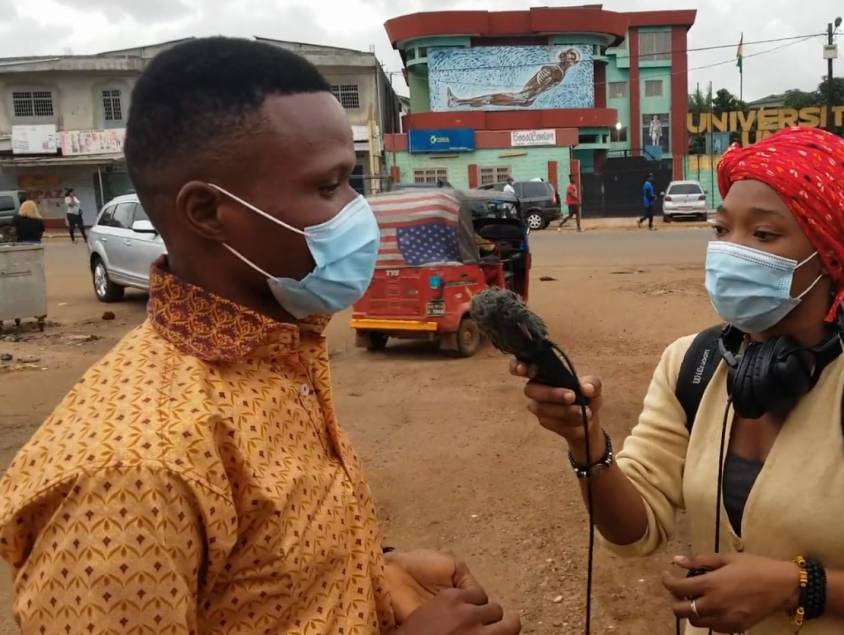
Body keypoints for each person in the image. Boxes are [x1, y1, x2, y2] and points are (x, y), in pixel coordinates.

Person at [0, 38, 520, 635]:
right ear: (207, 212)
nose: (360, 209)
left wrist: (374, 569)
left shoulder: (278, 350)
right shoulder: (131, 471)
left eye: (351, 180)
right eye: (328, 187)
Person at [511, 128, 844, 634]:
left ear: (828, 254)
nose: (732, 251)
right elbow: (633, 532)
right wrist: (586, 442)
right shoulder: (692, 365)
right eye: (721, 229)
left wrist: (799, 587)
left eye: (764, 235)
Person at [447, 48, 580, 109]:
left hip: (524, 96)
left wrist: (527, 96)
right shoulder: (557, 69)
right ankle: (459, 102)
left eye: (572, 58)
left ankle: (457, 102)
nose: (569, 58)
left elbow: (542, 87)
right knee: (489, 101)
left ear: (573, 62)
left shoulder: (557, 72)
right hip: (525, 96)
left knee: (490, 99)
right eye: (569, 55)